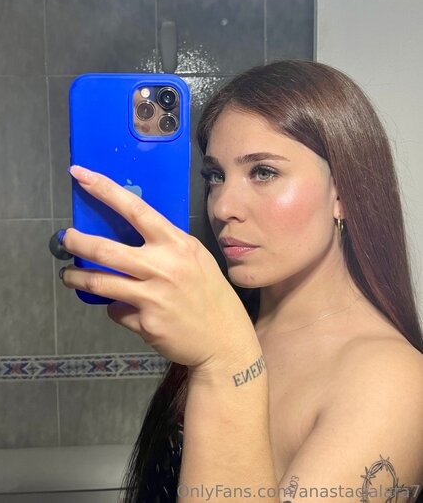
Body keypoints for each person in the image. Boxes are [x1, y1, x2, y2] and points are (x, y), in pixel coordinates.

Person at [58, 60, 423, 503]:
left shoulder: (392, 382)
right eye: (215, 176)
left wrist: (226, 363)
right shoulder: (238, 322)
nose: (222, 206)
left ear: (343, 193)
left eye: (263, 172)